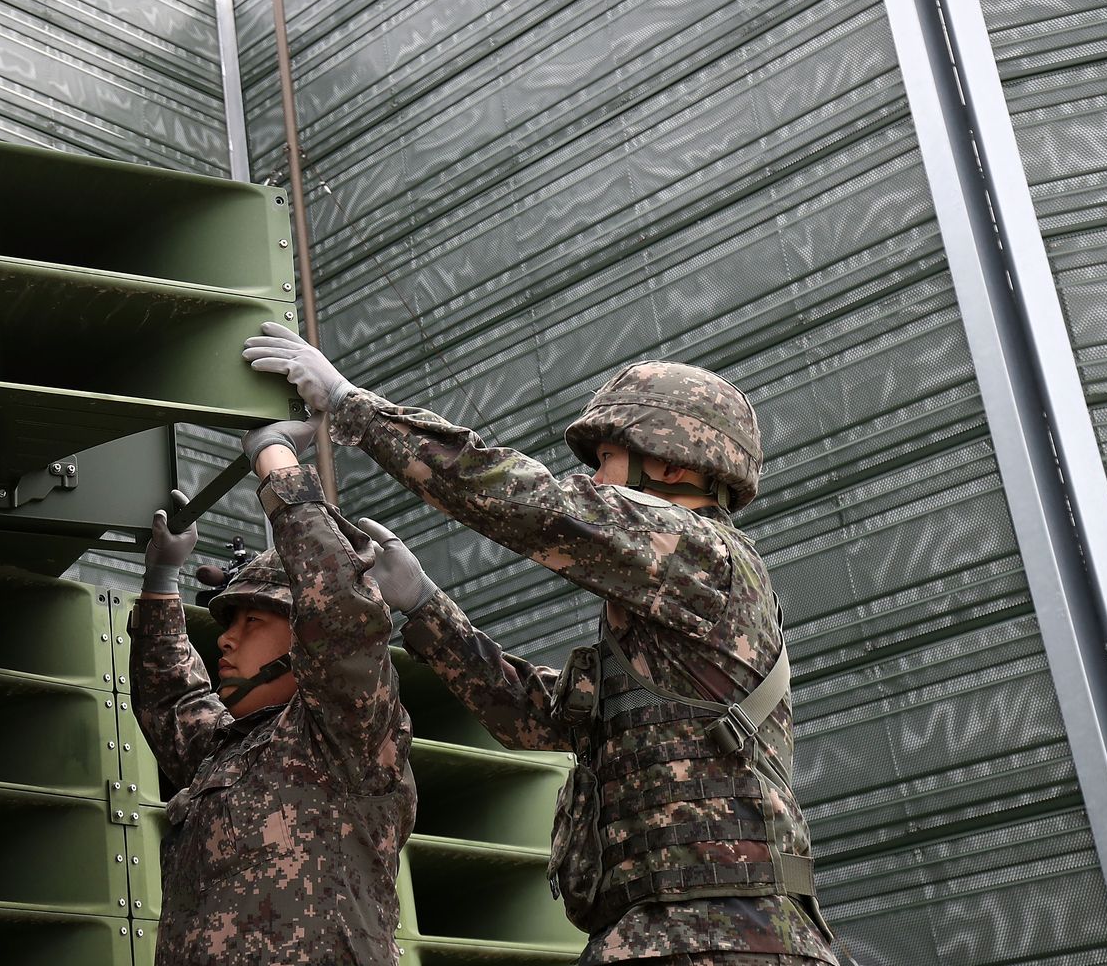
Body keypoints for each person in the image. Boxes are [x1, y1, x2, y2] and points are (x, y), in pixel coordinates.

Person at [245, 324, 837, 965]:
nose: (594, 479)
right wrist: (423, 606)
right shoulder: (667, 612)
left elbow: (529, 503)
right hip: (670, 934)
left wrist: (352, 407)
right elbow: (533, 718)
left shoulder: (700, 552)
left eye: (605, 459)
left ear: (670, 464)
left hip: (724, 933)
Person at [130, 418, 416, 966]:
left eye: (253, 621)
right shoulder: (230, 752)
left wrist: (274, 458)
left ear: (305, 638)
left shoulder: (345, 737)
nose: (227, 640)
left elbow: (337, 602)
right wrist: (162, 580)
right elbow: (171, 699)